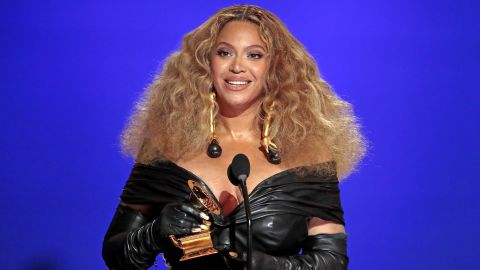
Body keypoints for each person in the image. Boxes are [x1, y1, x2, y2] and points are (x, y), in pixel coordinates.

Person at [102, 4, 366, 270]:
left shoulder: (310, 155)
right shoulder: (165, 147)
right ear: (207, 62)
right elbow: (116, 255)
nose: (237, 66)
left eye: (254, 55)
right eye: (224, 53)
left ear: (275, 67)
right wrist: (153, 234)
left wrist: (266, 265)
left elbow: (331, 261)